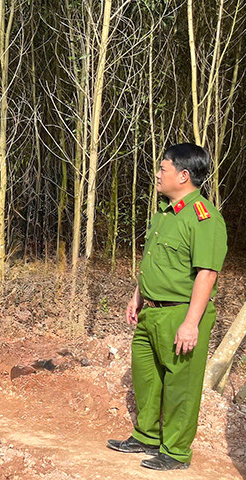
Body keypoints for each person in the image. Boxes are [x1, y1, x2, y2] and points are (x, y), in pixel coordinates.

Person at [107, 143, 227, 471]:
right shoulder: (164, 213)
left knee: (180, 384)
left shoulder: (203, 218)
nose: (158, 175)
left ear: (184, 175)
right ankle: (146, 435)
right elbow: (156, 261)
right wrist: (137, 296)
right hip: (151, 311)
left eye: (163, 169)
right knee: (146, 377)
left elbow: (206, 272)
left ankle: (174, 451)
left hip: (181, 312)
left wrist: (191, 323)